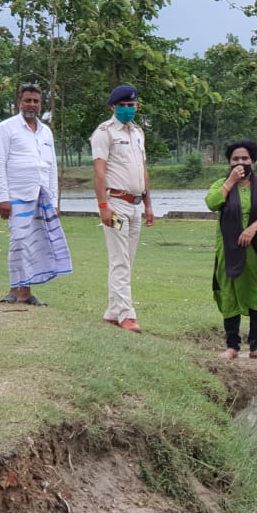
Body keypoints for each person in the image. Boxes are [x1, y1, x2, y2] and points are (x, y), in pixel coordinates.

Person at [0, 83, 71, 306]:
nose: (31, 105)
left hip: (42, 195)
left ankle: (26, 292)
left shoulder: (46, 132)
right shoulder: (7, 128)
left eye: (36, 101)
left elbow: (52, 166)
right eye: (27, 100)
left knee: (35, 242)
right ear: (19, 102)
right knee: (18, 240)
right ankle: (14, 289)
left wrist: (55, 200)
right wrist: (3, 198)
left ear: (41, 104)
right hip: (17, 194)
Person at [205, 140, 257, 360]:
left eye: (245, 159)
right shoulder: (221, 183)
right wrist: (230, 182)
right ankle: (232, 346)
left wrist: (253, 229)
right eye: (236, 159)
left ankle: (256, 346)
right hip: (229, 249)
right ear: (229, 162)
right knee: (230, 294)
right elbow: (211, 203)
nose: (241, 162)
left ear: (253, 162)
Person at [90, 84, 155, 333]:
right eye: (123, 106)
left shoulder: (138, 133)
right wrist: (103, 206)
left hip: (136, 203)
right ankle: (126, 314)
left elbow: (143, 170)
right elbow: (99, 172)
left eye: (132, 105)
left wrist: (148, 203)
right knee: (120, 260)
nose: (128, 109)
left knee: (127, 260)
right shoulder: (104, 133)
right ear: (113, 107)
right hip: (115, 203)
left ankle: (113, 310)